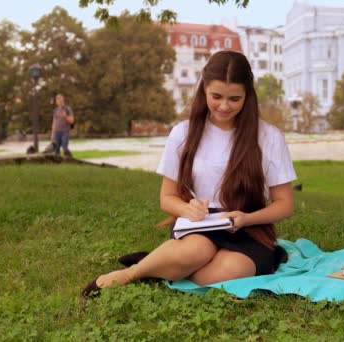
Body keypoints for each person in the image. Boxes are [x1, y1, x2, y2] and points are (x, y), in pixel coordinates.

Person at [82, 51, 296, 298]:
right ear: (203, 88)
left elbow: (285, 205)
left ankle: (162, 266)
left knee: (226, 272)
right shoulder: (183, 133)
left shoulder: (269, 137)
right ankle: (133, 273)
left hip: (249, 228)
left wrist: (247, 219)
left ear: (248, 95)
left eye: (234, 99)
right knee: (195, 253)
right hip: (198, 224)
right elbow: (167, 198)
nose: (224, 106)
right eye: (216, 96)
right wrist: (187, 210)